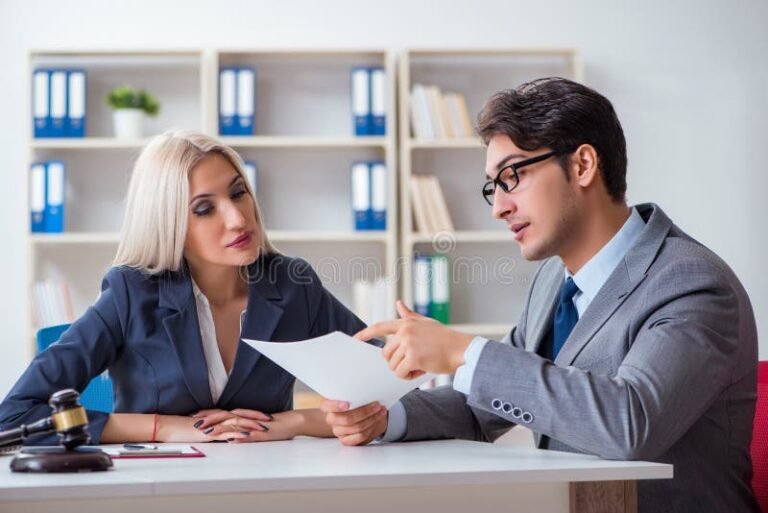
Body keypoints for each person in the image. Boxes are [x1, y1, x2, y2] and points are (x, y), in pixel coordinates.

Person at [322, 78, 759, 512]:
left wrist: (463, 352)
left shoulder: (691, 284)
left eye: (513, 176)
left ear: (584, 165)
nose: (499, 207)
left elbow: (629, 423)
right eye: (494, 186)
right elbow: (487, 406)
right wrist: (386, 417)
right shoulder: (554, 281)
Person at [0, 130, 367, 445]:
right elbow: (15, 416)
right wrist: (164, 429)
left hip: (261, 485)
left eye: (238, 192)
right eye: (204, 209)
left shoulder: (291, 284)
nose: (238, 219)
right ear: (169, 224)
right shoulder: (132, 293)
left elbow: (391, 388)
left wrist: (294, 422)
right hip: (159, 491)